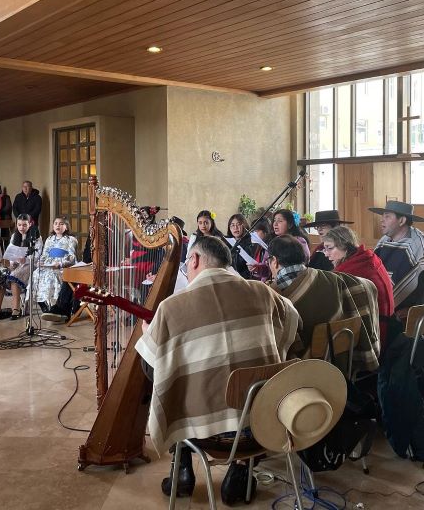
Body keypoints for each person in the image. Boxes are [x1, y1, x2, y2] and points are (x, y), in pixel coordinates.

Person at [135, 236, 301, 499]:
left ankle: (182, 467)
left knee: (167, 373)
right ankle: (240, 470)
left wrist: (151, 336)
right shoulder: (264, 292)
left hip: (205, 433)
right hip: (262, 426)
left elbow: (152, 367)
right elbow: (293, 322)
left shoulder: (172, 307)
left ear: (194, 260)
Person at [267, 235, 380, 372]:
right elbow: (369, 285)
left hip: (300, 372)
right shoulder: (334, 279)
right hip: (339, 365)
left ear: (275, 261)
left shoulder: (271, 297)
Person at [370, 201, 424, 322]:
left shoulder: (422, 243)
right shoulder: (384, 241)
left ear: (402, 220)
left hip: (413, 319)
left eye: (387, 216)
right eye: (382, 216)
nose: (382, 220)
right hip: (387, 312)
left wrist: (416, 311)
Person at [323, 225, 395, 349]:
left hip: (377, 333)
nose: (326, 254)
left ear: (344, 246)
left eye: (329, 248)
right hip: (390, 324)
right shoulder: (367, 257)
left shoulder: (350, 270)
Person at [28, 216, 77, 321]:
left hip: (62, 266)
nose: (58, 225)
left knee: (51, 275)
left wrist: (60, 264)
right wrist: (41, 262)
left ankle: (58, 307)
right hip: (49, 264)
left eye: (61, 224)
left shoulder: (70, 239)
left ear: (66, 227)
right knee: (36, 274)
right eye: (56, 223)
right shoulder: (49, 239)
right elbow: (45, 254)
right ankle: (42, 302)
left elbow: (71, 257)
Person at [4, 213, 41, 320]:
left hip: (31, 264)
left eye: (24, 225)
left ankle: (16, 308)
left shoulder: (36, 237)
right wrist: (13, 262)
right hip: (18, 263)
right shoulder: (14, 236)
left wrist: (26, 259)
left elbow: (37, 255)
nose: (21, 228)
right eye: (19, 225)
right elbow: (11, 251)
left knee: (15, 275)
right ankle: (8, 307)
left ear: (30, 224)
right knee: (4, 273)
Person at [225, 213, 257, 279]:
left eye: (238, 224)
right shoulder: (227, 244)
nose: (235, 228)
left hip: (246, 279)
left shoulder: (251, 242)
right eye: (232, 225)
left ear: (244, 225)